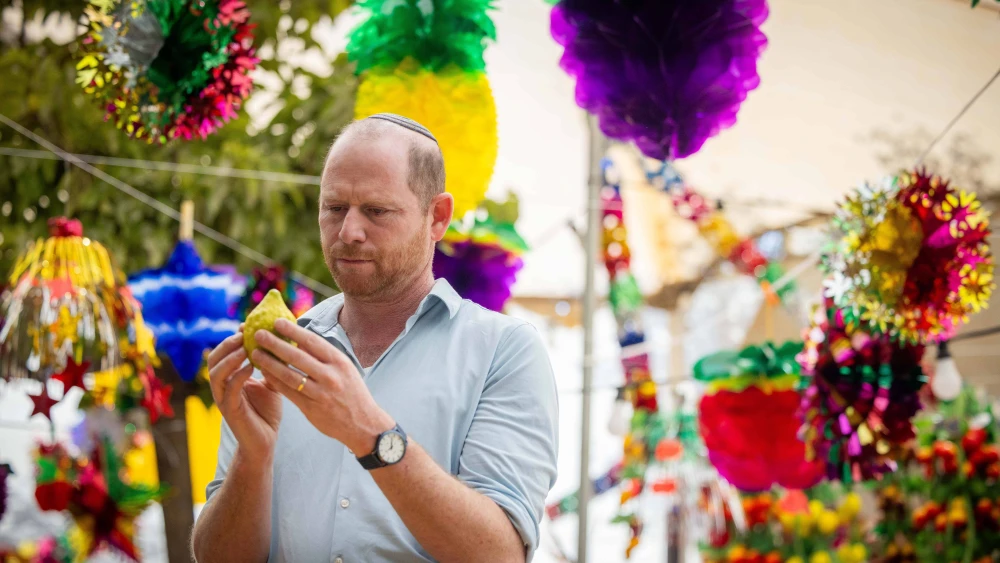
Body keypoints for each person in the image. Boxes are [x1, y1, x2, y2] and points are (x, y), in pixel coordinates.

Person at [191, 114, 559, 563]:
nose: (349, 232)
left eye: (377, 211)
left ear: (437, 217)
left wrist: (369, 431)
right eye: (334, 208)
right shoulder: (281, 350)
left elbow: (500, 555)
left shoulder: (504, 351)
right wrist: (254, 458)